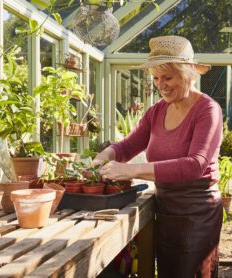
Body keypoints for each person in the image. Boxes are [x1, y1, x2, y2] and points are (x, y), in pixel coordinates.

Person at [92, 35, 223, 278]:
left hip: (198, 214)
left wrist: (130, 170)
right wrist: (104, 156)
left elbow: (195, 165)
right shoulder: (156, 112)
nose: (160, 84)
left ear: (188, 74)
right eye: (155, 78)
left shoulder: (208, 110)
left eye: (168, 77)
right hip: (166, 211)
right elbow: (127, 146)